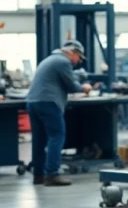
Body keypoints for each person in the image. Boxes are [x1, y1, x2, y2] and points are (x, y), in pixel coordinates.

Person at [26, 40, 93, 187]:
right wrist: (85, 87)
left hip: (33, 102)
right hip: (49, 103)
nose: (79, 61)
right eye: (79, 57)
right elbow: (72, 86)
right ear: (71, 52)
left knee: (39, 139)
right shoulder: (63, 62)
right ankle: (52, 174)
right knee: (57, 136)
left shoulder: (49, 60)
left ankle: (39, 175)